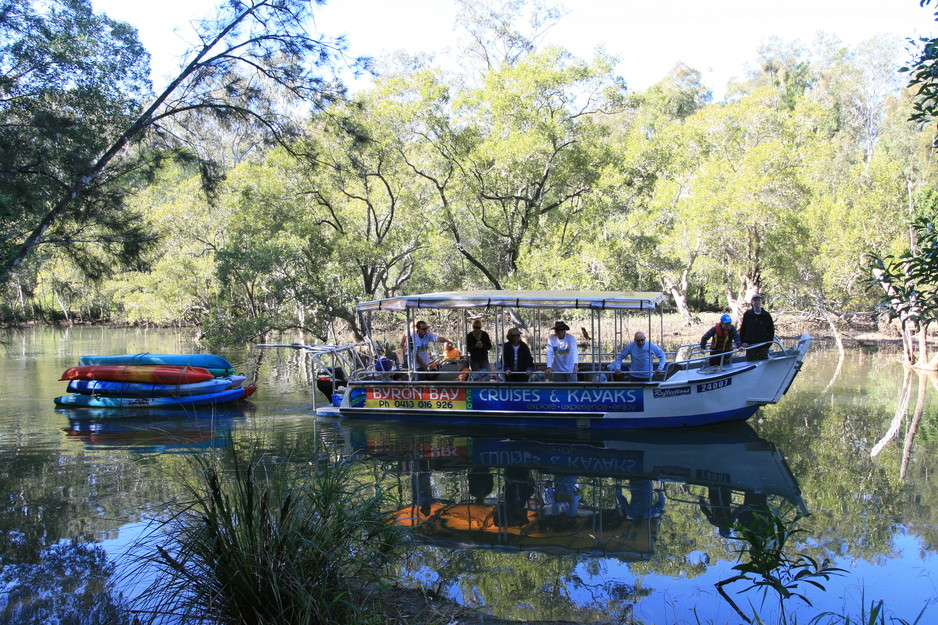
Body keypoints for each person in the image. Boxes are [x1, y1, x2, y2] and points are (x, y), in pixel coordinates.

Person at [739, 293, 775, 361]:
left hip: (763, 344)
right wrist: (743, 341)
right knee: (750, 362)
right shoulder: (748, 314)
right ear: (752, 302)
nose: (757, 302)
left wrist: (768, 344)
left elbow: (771, 331)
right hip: (750, 344)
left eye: (758, 300)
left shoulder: (766, 315)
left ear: (761, 302)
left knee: (763, 361)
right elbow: (743, 329)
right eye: (755, 301)